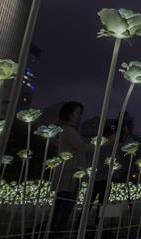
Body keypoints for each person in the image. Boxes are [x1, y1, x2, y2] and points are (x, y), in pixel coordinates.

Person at [50, 101, 90, 237]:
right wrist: (103, 143)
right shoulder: (68, 130)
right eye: (77, 113)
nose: (79, 116)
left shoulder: (69, 130)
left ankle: (53, 232)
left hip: (69, 175)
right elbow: (82, 147)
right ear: (69, 113)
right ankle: (55, 233)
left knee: (62, 205)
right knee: (65, 206)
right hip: (69, 176)